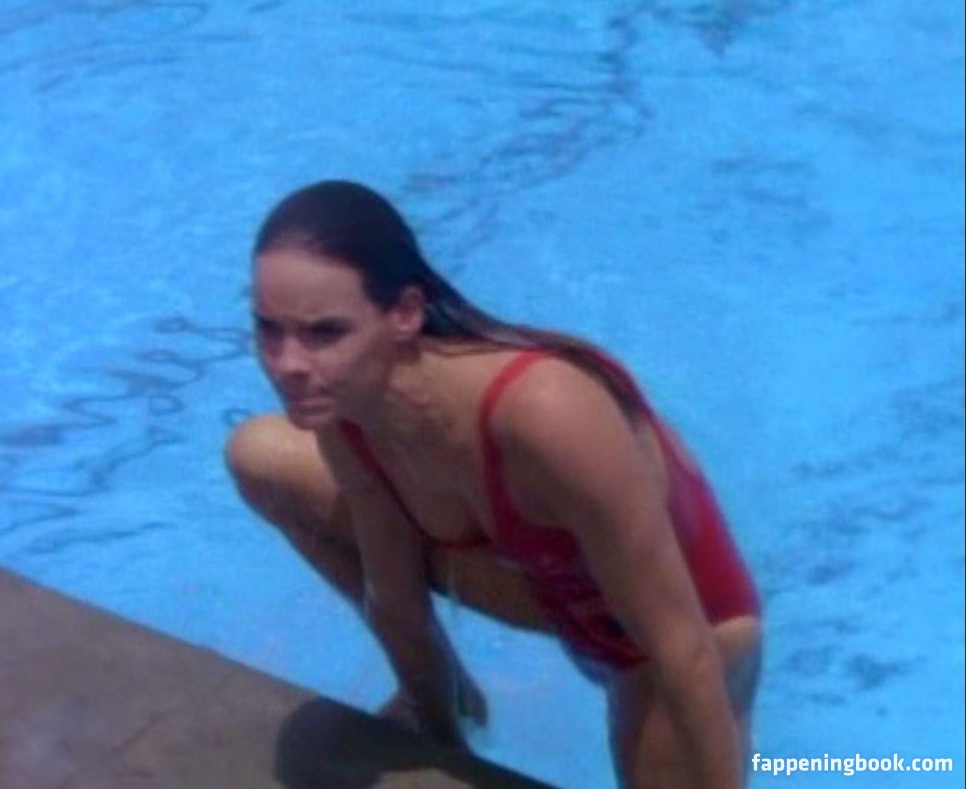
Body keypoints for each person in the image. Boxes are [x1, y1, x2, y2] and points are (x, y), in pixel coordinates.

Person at [226, 180, 763, 788]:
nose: (287, 365)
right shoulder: (346, 404)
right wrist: (442, 743)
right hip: (543, 586)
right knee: (258, 456)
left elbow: (683, 649)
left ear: (405, 313)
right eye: (268, 329)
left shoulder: (546, 412)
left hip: (679, 637)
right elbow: (395, 600)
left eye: (324, 332)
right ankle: (458, 703)